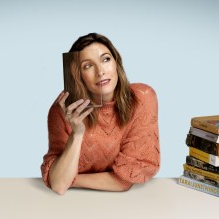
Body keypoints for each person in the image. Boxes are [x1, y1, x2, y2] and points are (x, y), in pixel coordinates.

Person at [41, 33, 160, 195]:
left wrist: (72, 180)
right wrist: (77, 133)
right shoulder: (62, 110)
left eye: (105, 59)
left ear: (116, 62)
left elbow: (124, 181)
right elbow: (59, 186)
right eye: (87, 66)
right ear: (78, 75)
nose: (101, 71)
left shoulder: (142, 98)